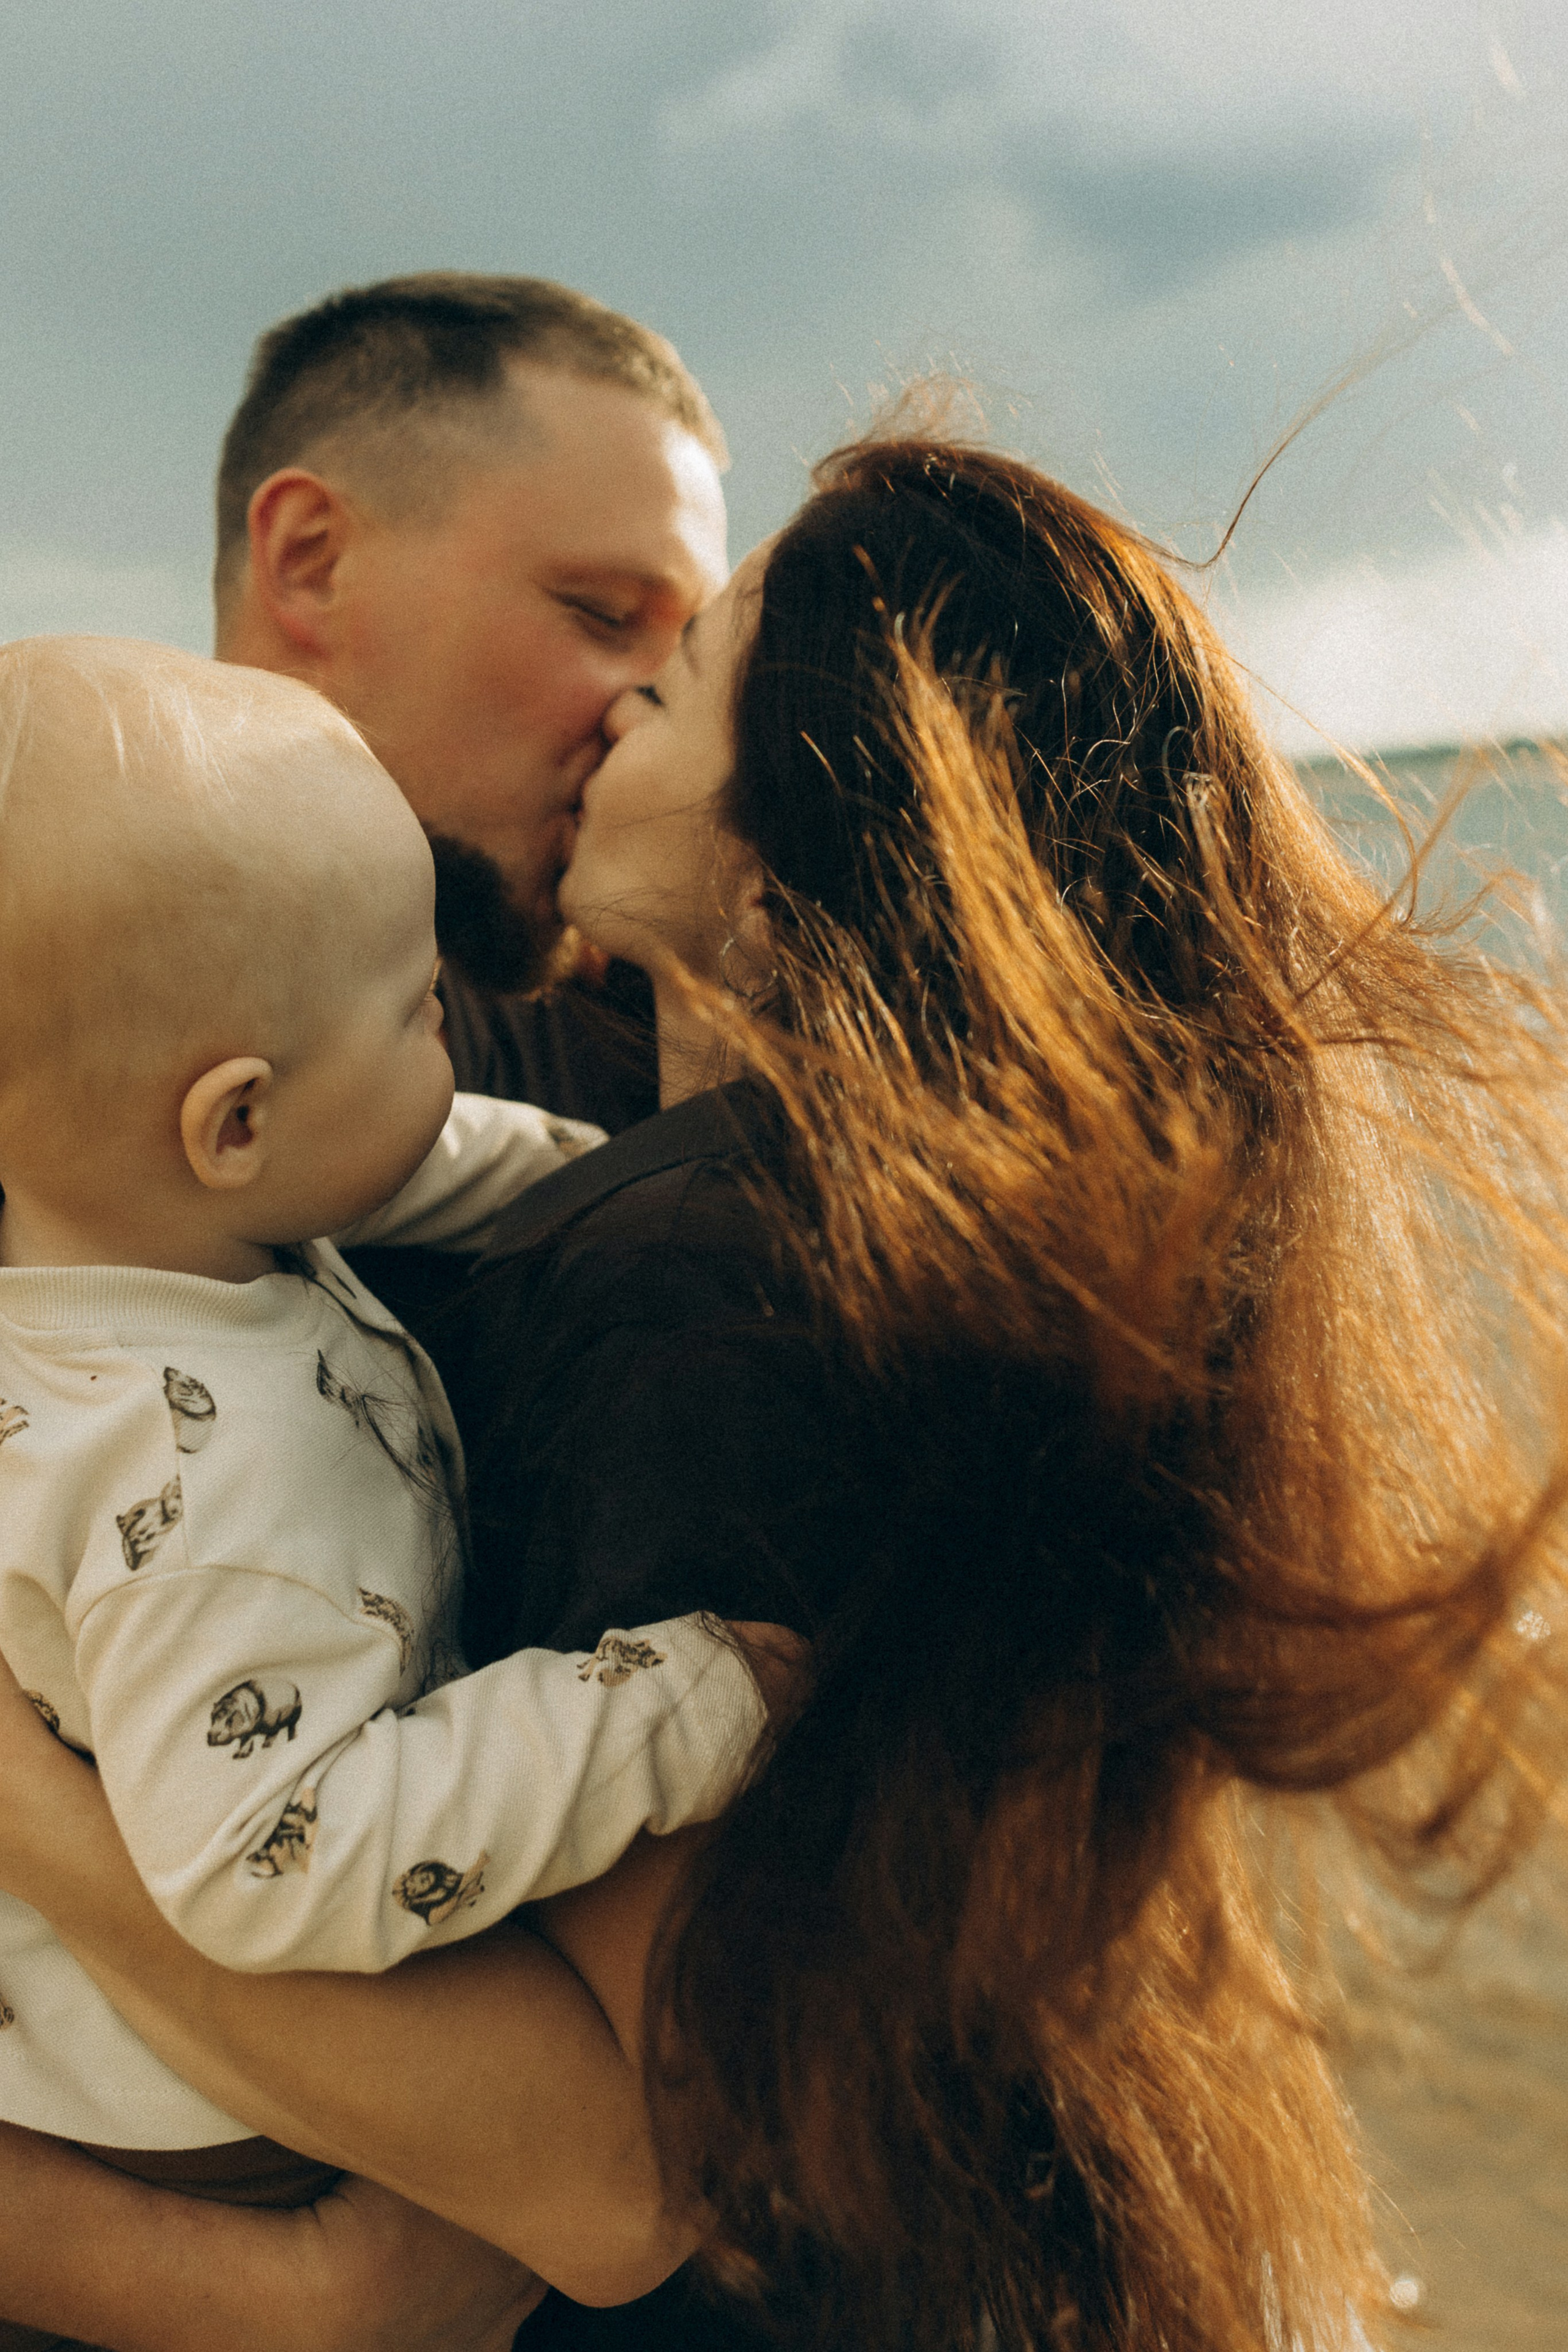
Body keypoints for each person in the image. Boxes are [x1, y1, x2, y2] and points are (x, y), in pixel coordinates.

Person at [4, 424, 1567, 2351]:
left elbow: (595, 2179)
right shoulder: (864, 1229)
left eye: (665, 679)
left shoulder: (696, 1283)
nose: (608, 710)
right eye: (605, 629)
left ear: (794, 844)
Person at [0, 638, 780, 2332]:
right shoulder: (193, 1492)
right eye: (424, 1012)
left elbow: (420, 1153)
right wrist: (662, 1708)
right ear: (235, 1121)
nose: (460, 1045)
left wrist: (618, 1178)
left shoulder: (146, 1220)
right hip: (211, 2135)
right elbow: (277, 1857)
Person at [212, 270, 731, 1137]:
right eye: (603, 614)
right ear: (312, 560)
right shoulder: (43, 992)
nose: (641, 710)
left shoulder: (658, 1048)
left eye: (689, 658)